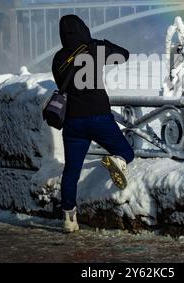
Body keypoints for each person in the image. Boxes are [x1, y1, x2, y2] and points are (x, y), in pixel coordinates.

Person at [52, 15, 135, 233]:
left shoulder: (58, 59)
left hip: (72, 121)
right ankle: (118, 160)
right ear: (83, 29)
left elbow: (63, 84)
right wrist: (99, 44)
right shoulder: (94, 48)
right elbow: (124, 55)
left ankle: (69, 218)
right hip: (98, 116)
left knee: (71, 170)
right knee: (126, 151)